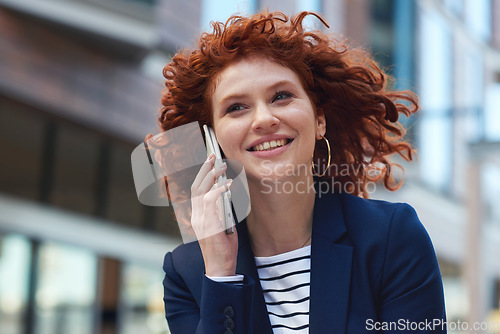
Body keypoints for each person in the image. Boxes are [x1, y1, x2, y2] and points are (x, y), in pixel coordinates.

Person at [159, 11, 447, 334]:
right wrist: (221, 276)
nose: (263, 119)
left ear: (319, 120)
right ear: (213, 141)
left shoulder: (392, 239)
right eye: (236, 107)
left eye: (281, 96)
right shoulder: (187, 273)